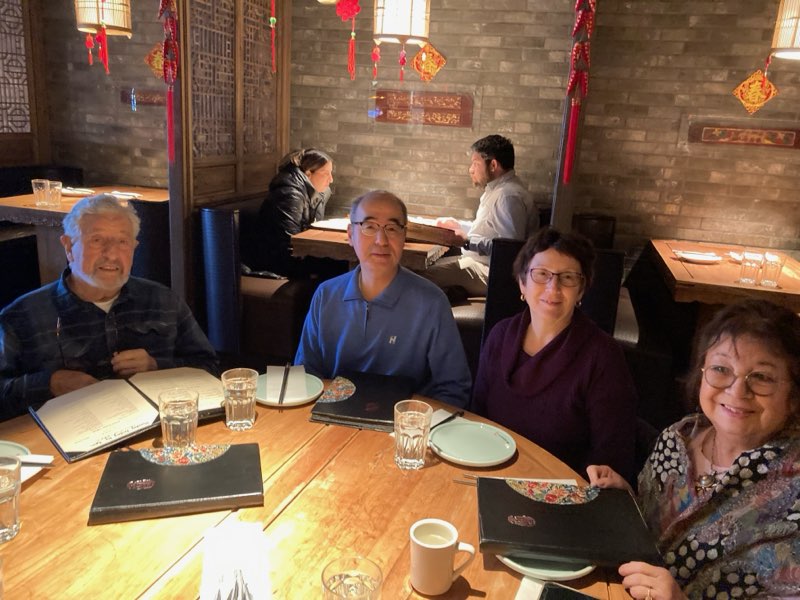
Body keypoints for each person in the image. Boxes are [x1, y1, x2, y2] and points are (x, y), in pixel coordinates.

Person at [588, 299, 800, 599]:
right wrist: (625, 499)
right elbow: (652, 533)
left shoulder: (794, 491)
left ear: (793, 396)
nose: (737, 390)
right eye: (721, 369)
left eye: (762, 377)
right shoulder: (678, 439)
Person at [0, 194, 219, 420]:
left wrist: (157, 366)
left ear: (134, 247)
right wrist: (49, 383)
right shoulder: (21, 316)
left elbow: (208, 367)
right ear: (68, 247)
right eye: (96, 240)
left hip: (157, 429)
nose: (112, 254)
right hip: (63, 433)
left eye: (122, 242)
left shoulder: (163, 301)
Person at [472, 227, 637, 481]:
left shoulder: (603, 357)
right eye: (541, 274)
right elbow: (477, 418)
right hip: (489, 476)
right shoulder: (500, 336)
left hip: (563, 492)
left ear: (581, 290)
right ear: (522, 283)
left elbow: (611, 457)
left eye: (568, 277)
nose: (553, 287)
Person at [295, 190, 472, 408]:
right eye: (369, 227)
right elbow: (306, 374)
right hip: (331, 418)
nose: (381, 240)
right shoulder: (326, 295)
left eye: (392, 228)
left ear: (404, 236)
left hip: (405, 423)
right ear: (350, 234)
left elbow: (454, 389)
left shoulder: (431, 303)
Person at [423, 134, 538, 299]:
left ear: (493, 165)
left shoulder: (507, 196)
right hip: (479, 263)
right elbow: (490, 229)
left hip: (494, 273)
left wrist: (467, 241)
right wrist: (459, 227)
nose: (471, 170)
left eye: (475, 163)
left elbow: (508, 250)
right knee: (427, 268)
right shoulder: (498, 191)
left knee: (420, 277)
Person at [255, 148, 345, 279]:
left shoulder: (317, 192)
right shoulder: (290, 195)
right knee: (342, 265)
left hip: (299, 253)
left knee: (346, 262)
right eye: (325, 173)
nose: (331, 179)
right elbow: (288, 245)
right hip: (278, 260)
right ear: (308, 174)